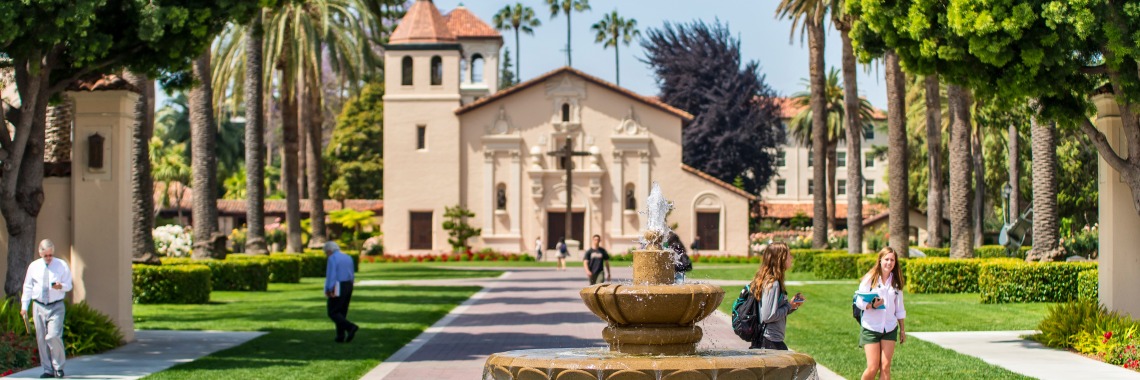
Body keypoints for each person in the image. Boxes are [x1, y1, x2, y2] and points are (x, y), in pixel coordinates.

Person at [21, 239, 72, 378]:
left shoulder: (61, 265)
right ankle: (48, 370)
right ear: (40, 253)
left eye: (50, 255)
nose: (49, 258)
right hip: (38, 305)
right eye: (46, 256)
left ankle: (58, 367)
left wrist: (60, 286)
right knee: (42, 338)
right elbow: (28, 287)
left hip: (56, 305)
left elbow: (69, 284)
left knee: (53, 336)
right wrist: (24, 306)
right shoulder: (33, 266)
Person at [855, 247, 907, 380]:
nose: (889, 263)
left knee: (885, 366)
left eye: (892, 260)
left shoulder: (896, 282)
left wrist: (902, 330)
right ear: (880, 260)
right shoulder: (870, 279)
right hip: (871, 328)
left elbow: (899, 308)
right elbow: (859, 302)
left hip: (889, 328)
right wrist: (872, 305)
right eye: (886, 259)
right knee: (873, 368)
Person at [748, 242, 803, 350]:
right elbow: (768, 316)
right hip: (770, 342)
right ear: (781, 259)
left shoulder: (772, 281)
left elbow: (774, 311)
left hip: (770, 340)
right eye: (789, 255)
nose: (791, 258)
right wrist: (789, 306)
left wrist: (792, 305)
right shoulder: (773, 283)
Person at [323, 241, 359, 343]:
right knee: (342, 311)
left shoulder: (332, 258)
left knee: (333, 311)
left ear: (329, 251)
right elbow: (352, 273)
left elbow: (332, 274)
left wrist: (329, 288)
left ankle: (350, 327)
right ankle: (340, 336)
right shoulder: (348, 257)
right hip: (348, 285)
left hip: (338, 285)